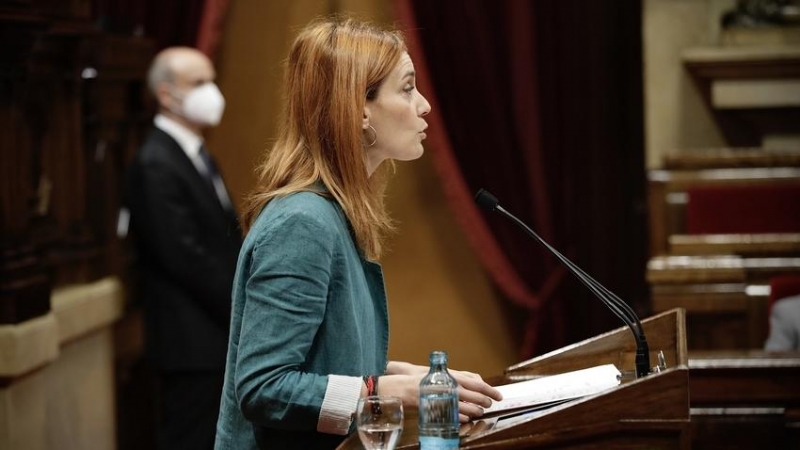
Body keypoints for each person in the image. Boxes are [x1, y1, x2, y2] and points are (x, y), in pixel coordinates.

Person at [214, 17, 502, 449]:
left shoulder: (333, 214)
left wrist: (405, 378)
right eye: (407, 88)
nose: (424, 106)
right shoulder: (302, 223)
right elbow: (263, 387)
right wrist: (381, 392)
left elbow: (323, 361)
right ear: (360, 109)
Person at [126, 46, 242, 450]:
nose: (212, 92)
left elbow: (224, 238)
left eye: (212, 80)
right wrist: (243, 305)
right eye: (198, 84)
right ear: (165, 94)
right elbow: (184, 257)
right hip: (190, 342)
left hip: (214, 337)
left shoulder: (197, 154)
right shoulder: (156, 161)